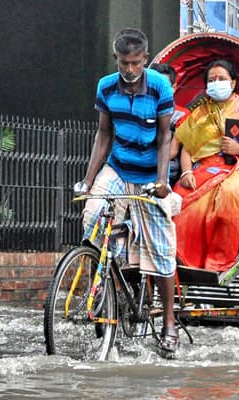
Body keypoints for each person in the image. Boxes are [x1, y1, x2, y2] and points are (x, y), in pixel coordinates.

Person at [75, 27, 182, 356]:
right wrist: (88, 179)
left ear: (145, 60)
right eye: (124, 62)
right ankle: (107, 284)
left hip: (151, 173)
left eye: (136, 63)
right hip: (118, 168)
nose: (130, 69)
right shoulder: (106, 87)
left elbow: (165, 137)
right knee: (92, 217)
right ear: (116, 59)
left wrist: (163, 180)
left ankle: (168, 323)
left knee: (163, 252)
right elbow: (103, 134)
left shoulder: (160, 87)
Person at [173, 59, 239, 272]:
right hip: (206, 168)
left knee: (228, 194)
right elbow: (186, 150)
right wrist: (186, 172)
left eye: (221, 79)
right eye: (212, 80)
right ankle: (183, 261)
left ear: (232, 83)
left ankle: (219, 261)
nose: (216, 83)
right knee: (178, 197)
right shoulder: (200, 112)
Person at [149, 62, 188, 186]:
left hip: (167, 170)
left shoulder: (183, 115)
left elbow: (173, 151)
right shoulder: (141, 109)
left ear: (174, 87)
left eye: (164, 85)